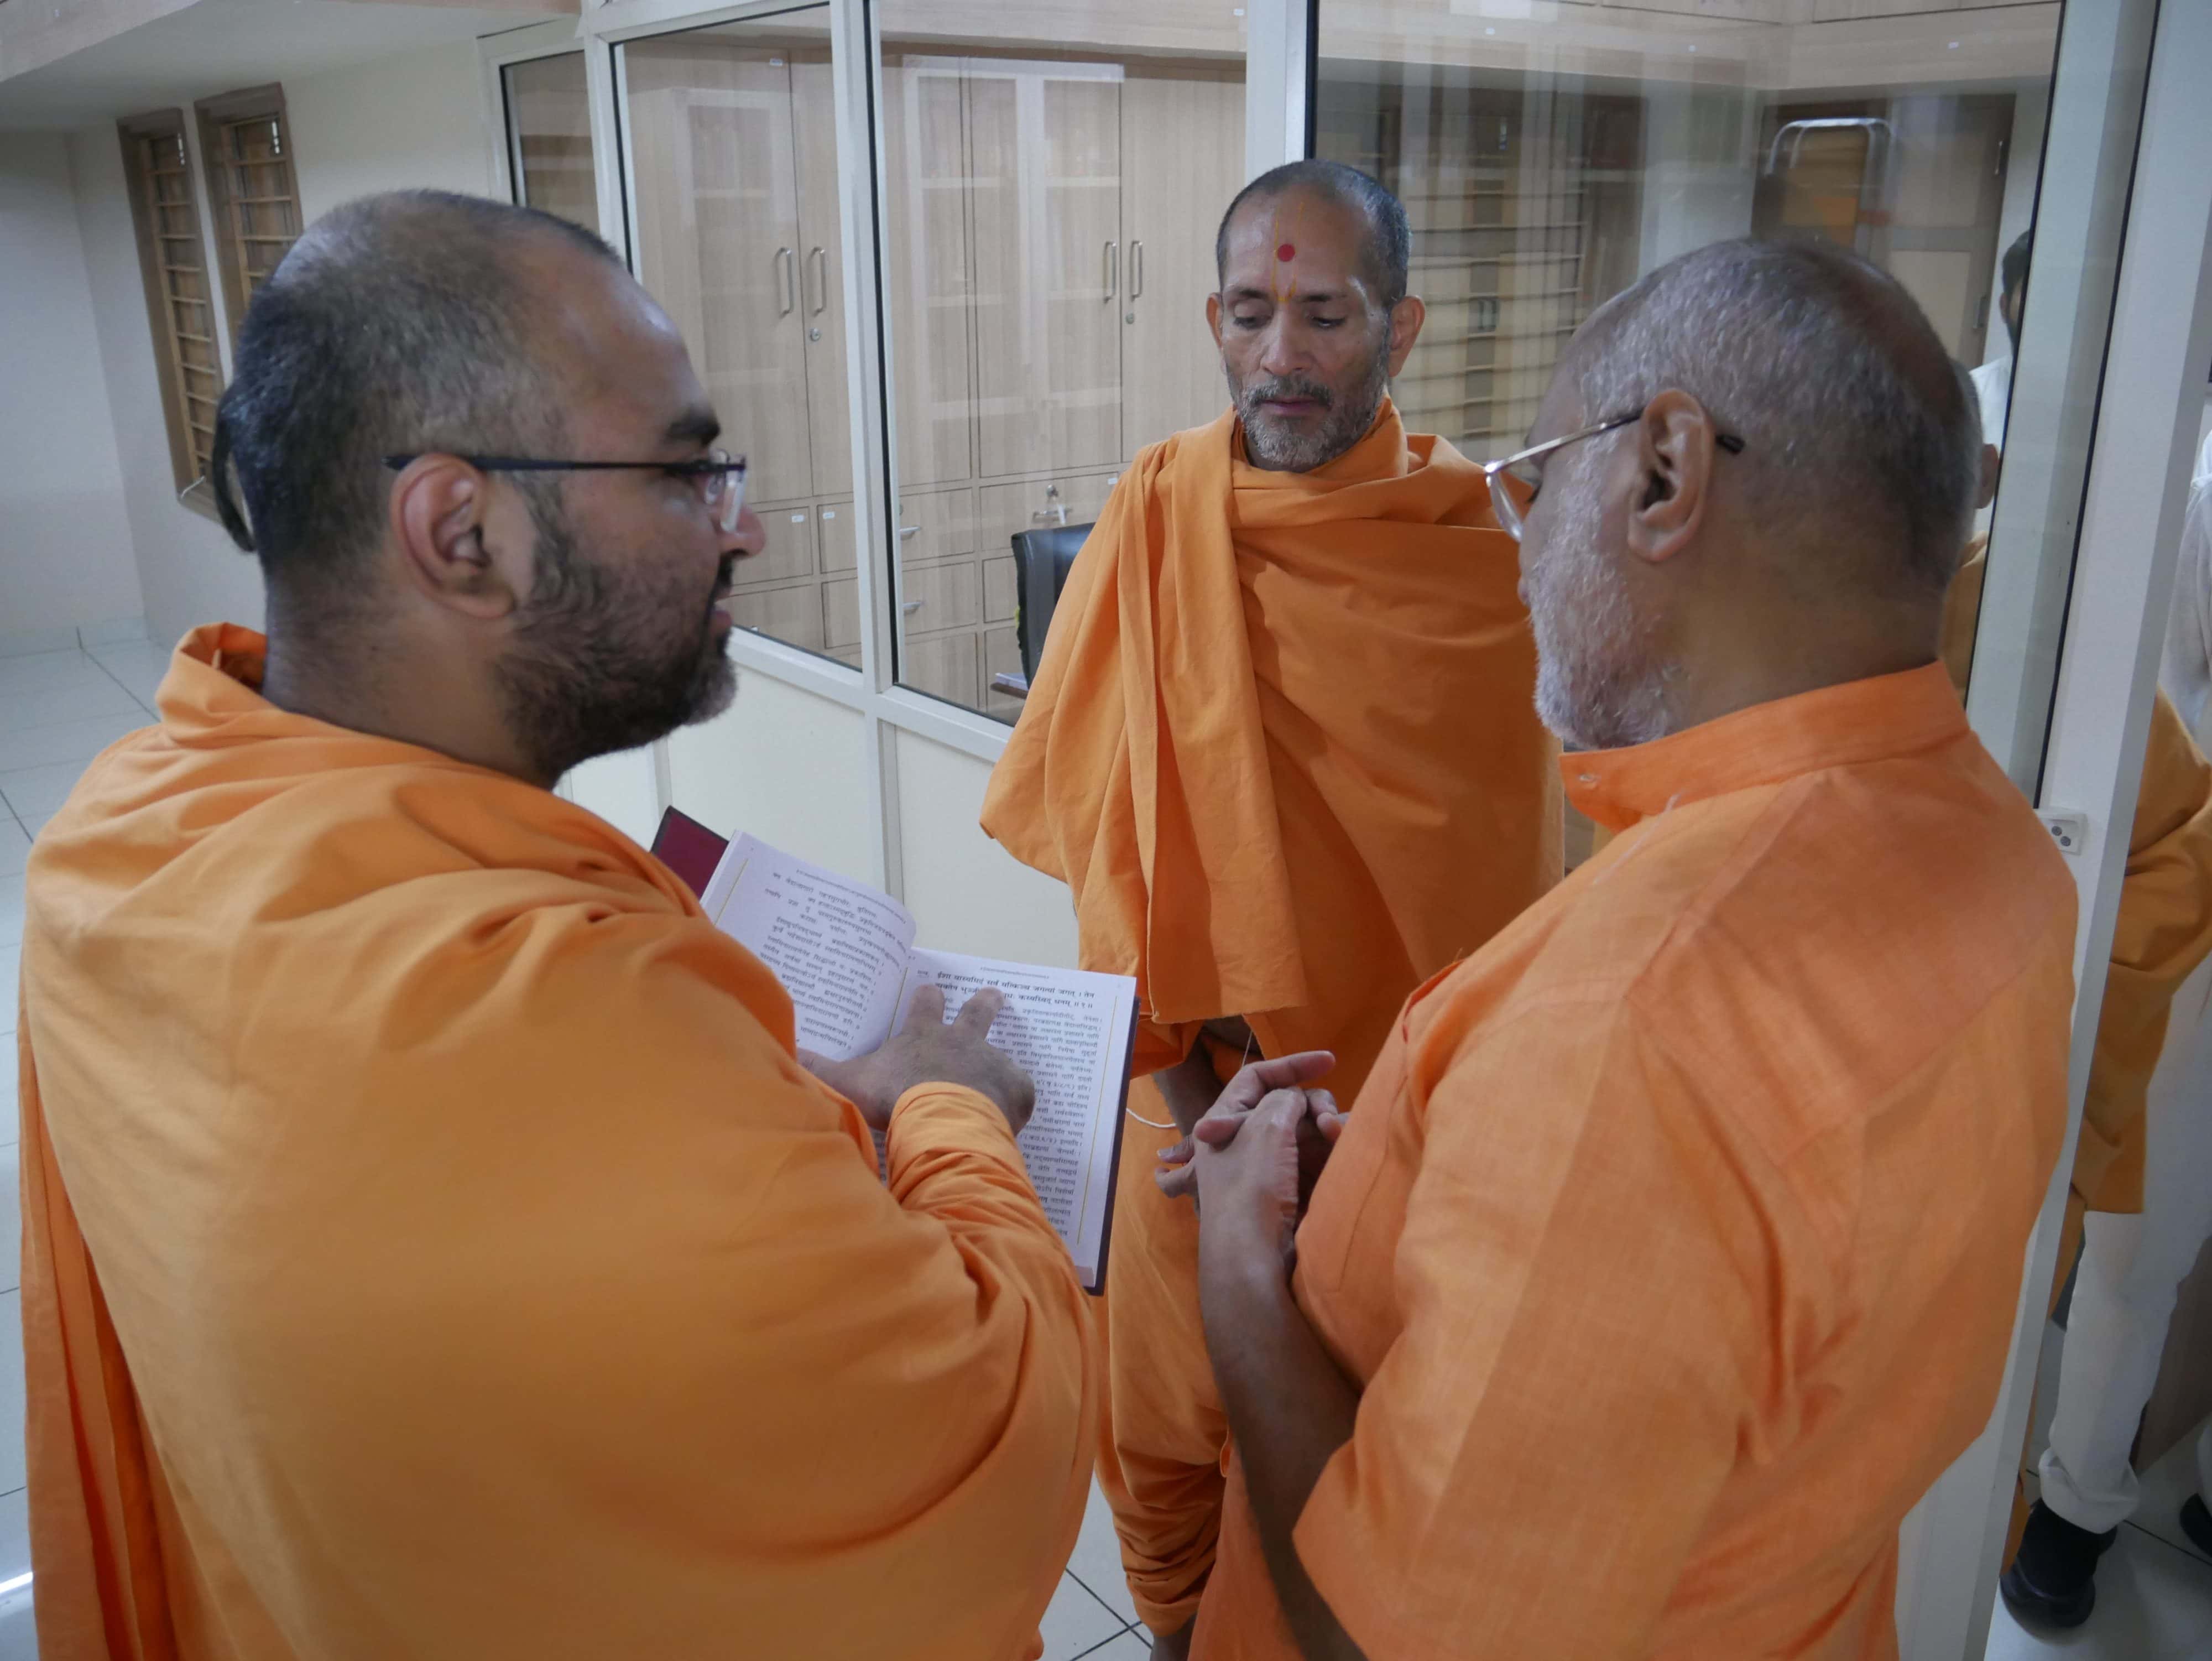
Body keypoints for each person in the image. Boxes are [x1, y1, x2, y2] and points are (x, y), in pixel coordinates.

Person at [17, 191, 1095, 1660]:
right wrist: (953, 1110)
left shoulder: (123, 836)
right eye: (687, 472)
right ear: (462, 531)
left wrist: (791, 1102)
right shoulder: (554, 1018)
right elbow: (983, 1455)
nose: (744, 524)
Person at [1171, 237, 2077, 1659]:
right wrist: (1407, 1197)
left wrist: (1236, 1266)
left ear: (1663, 473)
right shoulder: (1996, 845)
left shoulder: (1634, 1020)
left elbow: (1382, 1636)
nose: (1520, 543)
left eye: (1535, 479)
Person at [979, 160, 1561, 1656]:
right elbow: (1110, 842)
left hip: (1390, 1126)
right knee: (1162, 1442)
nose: (1281, 354)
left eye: (1324, 315)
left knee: (1349, 1471)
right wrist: (1198, 1110)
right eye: (1250, 313)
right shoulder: (1154, 513)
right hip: (1185, 1090)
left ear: (1400, 328)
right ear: (1212, 319)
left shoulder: (1480, 559)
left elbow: (1517, 883)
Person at [2001, 424, 2212, 1628]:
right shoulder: (2201, 502)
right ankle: (2074, 1514)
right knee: (2143, 1236)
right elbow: (2156, 714)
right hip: (2197, 909)